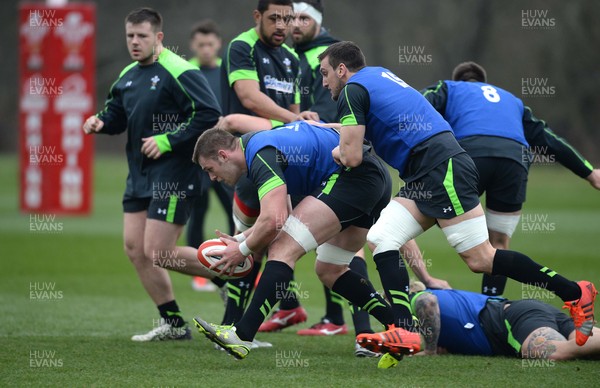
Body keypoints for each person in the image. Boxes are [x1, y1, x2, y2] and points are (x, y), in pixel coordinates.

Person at [317, 41, 597, 354]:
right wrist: (329, 129)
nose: (324, 81)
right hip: (431, 168)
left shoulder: (352, 90)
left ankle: (574, 291)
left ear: (342, 70)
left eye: (326, 73)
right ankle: (403, 329)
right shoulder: (378, 76)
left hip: (439, 166)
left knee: (482, 259)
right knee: (383, 237)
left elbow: (352, 156)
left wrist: (336, 149)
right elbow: (373, 126)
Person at [191, 122, 426, 359]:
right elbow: (282, 215)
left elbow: (273, 221)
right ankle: (399, 326)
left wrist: (241, 250)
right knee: (330, 269)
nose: (212, 178)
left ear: (223, 155)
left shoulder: (260, 154)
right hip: (372, 177)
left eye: (209, 169)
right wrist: (240, 238)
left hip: (353, 178)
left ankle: (241, 335)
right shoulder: (262, 145)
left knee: (282, 249)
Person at [82, 8, 221, 341]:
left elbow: (209, 114)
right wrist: (100, 123)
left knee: (159, 251)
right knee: (135, 249)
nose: (134, 42)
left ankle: (233, 276)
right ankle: (173, 324)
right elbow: (116, 115)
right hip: (140, 176)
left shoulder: (179, 70)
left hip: (174, 173)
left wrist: (168, 139)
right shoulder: (128, 76)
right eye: (130, 35)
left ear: (158, 37)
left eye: (142, 36)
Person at [421, 61, 600, 297]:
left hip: (470, 155)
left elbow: (417, 106)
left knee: (420, 215)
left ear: (458, 79)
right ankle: (492, 306)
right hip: (514, 161)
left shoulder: (449, 88)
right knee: (498, 244)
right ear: (483, 83)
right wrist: (589, 172)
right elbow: (547, 139)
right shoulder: (512, 101)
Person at [217, 0, 318, 329]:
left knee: (269, 241)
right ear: (257, 17)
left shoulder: (291, 59)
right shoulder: (242, 46)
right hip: (246, 158)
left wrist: (298, 121)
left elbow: (295, 109)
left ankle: (265, 316)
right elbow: (248, 97)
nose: (282, 26)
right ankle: (233, 324)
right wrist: (294, 120)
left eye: (288, 19)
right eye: (274, 18)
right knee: (249, 240)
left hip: (282, 161)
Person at [409, 282, 600, 361]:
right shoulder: (440, 294)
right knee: (585, 343)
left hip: (510, 320)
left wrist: (430, 350)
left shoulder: (416, 298)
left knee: (551, 352)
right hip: (527, 310)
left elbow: (427, 304)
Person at [188, 19, 235, 292]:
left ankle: (235, 265)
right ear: (194, 45)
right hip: (196, 160)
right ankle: (199, 272)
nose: (206, 49)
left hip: (223, 157)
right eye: (200, 44)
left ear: (218, 44)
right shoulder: (187, 72)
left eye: (210, 44)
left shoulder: (226, 73)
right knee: (198, 212)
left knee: (234, 210)